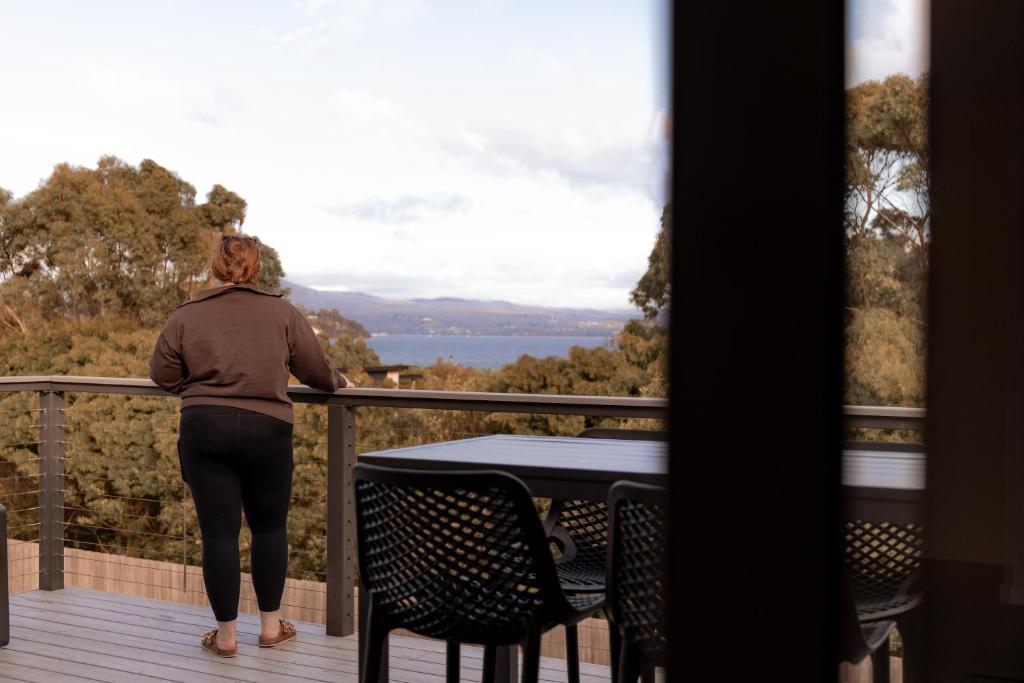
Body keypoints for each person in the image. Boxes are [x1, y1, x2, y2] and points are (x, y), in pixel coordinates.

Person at [149, 234, 354, 657]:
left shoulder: (186, 314)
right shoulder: (282, 312)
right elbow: (315, 371)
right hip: (267, 430)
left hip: (205, 427)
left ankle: (225, 638)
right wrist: (339, 382)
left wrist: (201, 387)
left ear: (215, 267)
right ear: (256, 268)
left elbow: (162, 374)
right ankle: (270, 629)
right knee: (269, 528)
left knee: (218, 536)